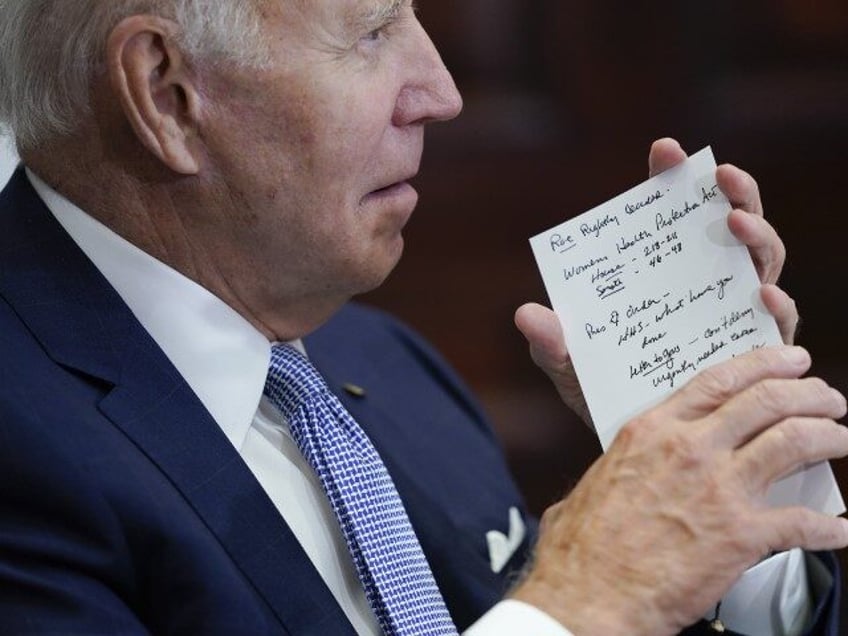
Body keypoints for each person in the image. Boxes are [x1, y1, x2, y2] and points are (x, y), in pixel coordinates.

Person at [0, 1, 846, 635]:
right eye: (372, 32)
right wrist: (583, 600)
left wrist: (727, 500)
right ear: (167, 94)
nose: (441, 94)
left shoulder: (387, 363)